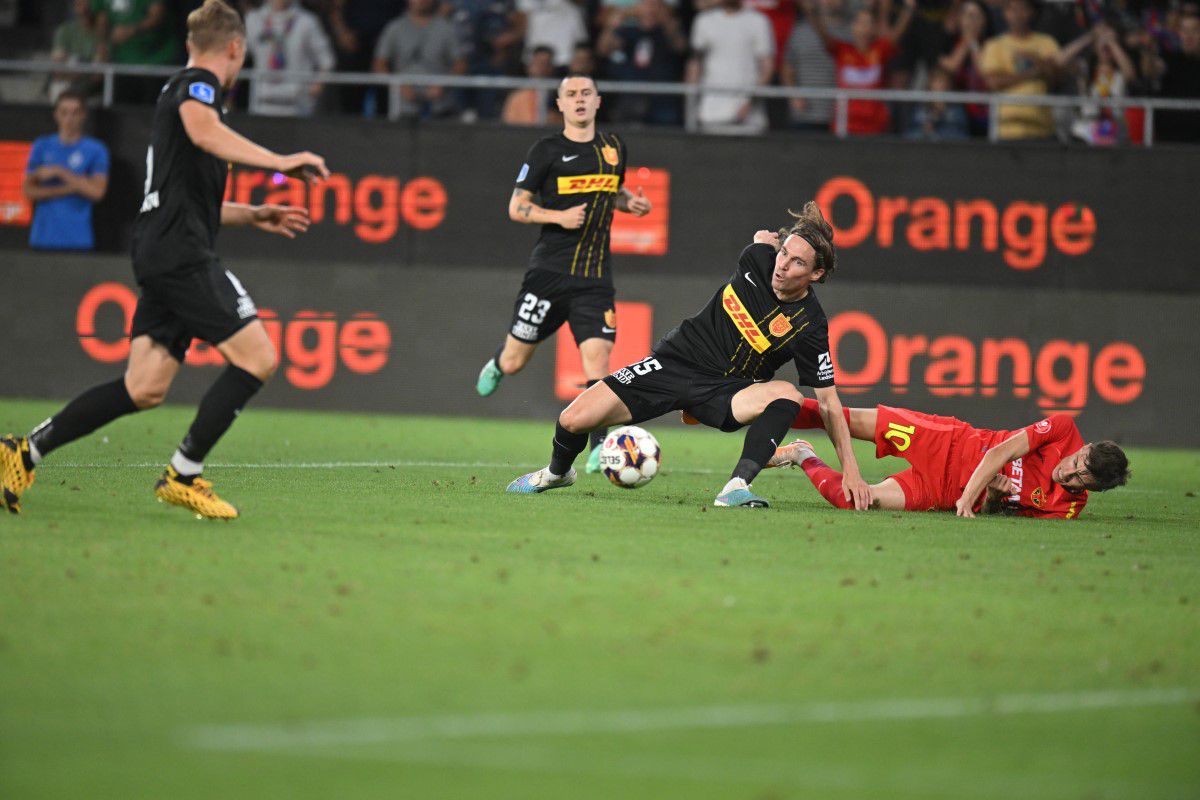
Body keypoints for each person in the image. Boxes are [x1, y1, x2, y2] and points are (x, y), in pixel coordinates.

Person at [0, 0, 329, 519]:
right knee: (259, 359)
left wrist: (254, 214)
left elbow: (189, 199)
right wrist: (282, 162)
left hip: (162, 244)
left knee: (144, 386)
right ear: (236, 48)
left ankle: (23, 451)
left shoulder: (180, 93)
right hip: (179, 252)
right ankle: (184, 472)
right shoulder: (198, 88)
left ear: (189, 43)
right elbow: (204, 132)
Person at [506, 204, 871, 511]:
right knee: (572, 419)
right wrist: (764, 242)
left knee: (788, 394)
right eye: (783, 254)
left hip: (727, 392)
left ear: (816, 273)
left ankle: (736, 487)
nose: (782, 266)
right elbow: (761, 242)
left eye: (796, 263)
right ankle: (557, 473)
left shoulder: (810, 325)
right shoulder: (758, 258)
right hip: (673, 364)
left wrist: (851, 469)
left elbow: (828, 403)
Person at [477, 73, 653, 475]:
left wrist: (631, 204)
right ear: (559, 104)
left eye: (586, 93)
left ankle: (599, 448)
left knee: (597, 358)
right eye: (570, 94)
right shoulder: (546, 150)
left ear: (597, 101)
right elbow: (516, 206)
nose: (578, 99)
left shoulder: (613, 147)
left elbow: (615, 192)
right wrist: (557, 215)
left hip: (594, 278)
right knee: (517, 358)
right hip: (548, 274)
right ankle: (499, 365)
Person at [768, 399, 1129, 519]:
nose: (1069, 472)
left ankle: (802, 454)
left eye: (1082, 479)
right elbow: (1000, 452)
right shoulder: (1064, 428)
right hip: (947, 443)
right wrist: (969, 496)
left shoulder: (1064, 509)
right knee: (842, 418)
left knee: (854, 502)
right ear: (1084, 447)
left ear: (1093, 490)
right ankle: (758, 408)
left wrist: (995, 497)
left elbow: (999, 514)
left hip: (939, 491)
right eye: (1077, 461)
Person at [802, 0, 917, 135]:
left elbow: (898, 33)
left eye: (868, 24)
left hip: (875, 127)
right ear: (853, 26)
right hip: (845, 125)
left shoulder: (880, 50)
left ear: (875, 27)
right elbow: (823, 35)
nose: (864, 28)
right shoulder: (842, 50)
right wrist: (811, 13)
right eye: (861, 23)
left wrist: (908, 9)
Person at [22, 91, 110, 252]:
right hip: (43, 238)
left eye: (75, 112)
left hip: (78, 239)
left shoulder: (96, 150)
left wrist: (60, 172)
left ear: (83, 115)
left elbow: (97, 192)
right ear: (56, 114)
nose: (69, 119)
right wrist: (75, 186)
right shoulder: (42, 146)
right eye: (64, 112)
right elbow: (28, 191)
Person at [979, 0, 1062, 140]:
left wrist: (1034, 58)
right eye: (1012, 9)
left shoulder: (1047, 42)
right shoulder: (994, 45)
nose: (1017, 14)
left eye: (1022, 9)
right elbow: (993, 82)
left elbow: (1056, 77)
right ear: (1005, 14)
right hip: (1007, 131)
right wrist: (1032, 73)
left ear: (1031, 12)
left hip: (1043, 130)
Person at [372, 0, 466, 119]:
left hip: (441, 108)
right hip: (403, 109)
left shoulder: (447, 28)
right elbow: (379, 64)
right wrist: (398, 86)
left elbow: (461, 64)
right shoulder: (394, 28)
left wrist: (443, 85)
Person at [243, 0, 336, 117]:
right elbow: (238, 56)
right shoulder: (253, 19)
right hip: (262, 103)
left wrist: (318, 84)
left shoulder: (307, 21)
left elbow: (327, 61)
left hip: (296, 105)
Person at [92, 0, 180, 105]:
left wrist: (131, 30)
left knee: (152, 111)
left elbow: (157, 16)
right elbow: (102, 19)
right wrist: (102, 46)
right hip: (121, 64)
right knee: (121, 112)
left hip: (156, 61)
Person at [780, 0, 848, 132]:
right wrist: (794, 96)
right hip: (804, 114)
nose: (830, 3)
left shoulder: (853, 32)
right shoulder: (799, 31)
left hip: (841, 116)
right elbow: (787, 68)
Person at [1152, 12, 1200, 142]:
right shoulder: (1168, 59)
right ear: (1179, 33)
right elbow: (1152, 69)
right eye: (1185, 30)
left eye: (1194, 30)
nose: (1189, 36)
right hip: (1169, 141)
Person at [49, 0, 101, 102]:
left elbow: (97, 76)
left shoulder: (102, 34)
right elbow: (58, 71)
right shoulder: (65, 31)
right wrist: (86, 70)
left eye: (88, 5)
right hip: (64, 86)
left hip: (91, 91)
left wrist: (77, 70)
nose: (84, 10)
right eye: (79, 5)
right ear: (74, 8)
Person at [904, 66, 970, 139]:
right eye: (936, 82)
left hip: (949, 149)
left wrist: (937, 132)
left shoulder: (956, 110)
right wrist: (924, 131)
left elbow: (963, 137)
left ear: (949, 85)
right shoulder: (920, 109)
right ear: (930, 85)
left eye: (943, 82)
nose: (940, 86)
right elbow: (908, 135)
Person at [501, 45, 558, 125]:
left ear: (552, 68)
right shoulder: (516, 98)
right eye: (538, 63)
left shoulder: (560, 96)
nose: (542, 68)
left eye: (546, 64)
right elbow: (508, 126)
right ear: (529, 67)